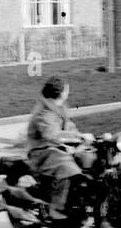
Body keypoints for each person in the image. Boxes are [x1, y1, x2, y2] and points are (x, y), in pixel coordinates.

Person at [26, 76, 83, 219]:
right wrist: (76, 137)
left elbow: (69, 127)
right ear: (60, 92)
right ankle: (55, 208)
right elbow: (51, 134)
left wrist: (82, 137)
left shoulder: (58, 109)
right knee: (66, 165)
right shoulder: (44, 111)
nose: (68, 93)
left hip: (54, 149)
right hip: (41, 152)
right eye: (67, 89)